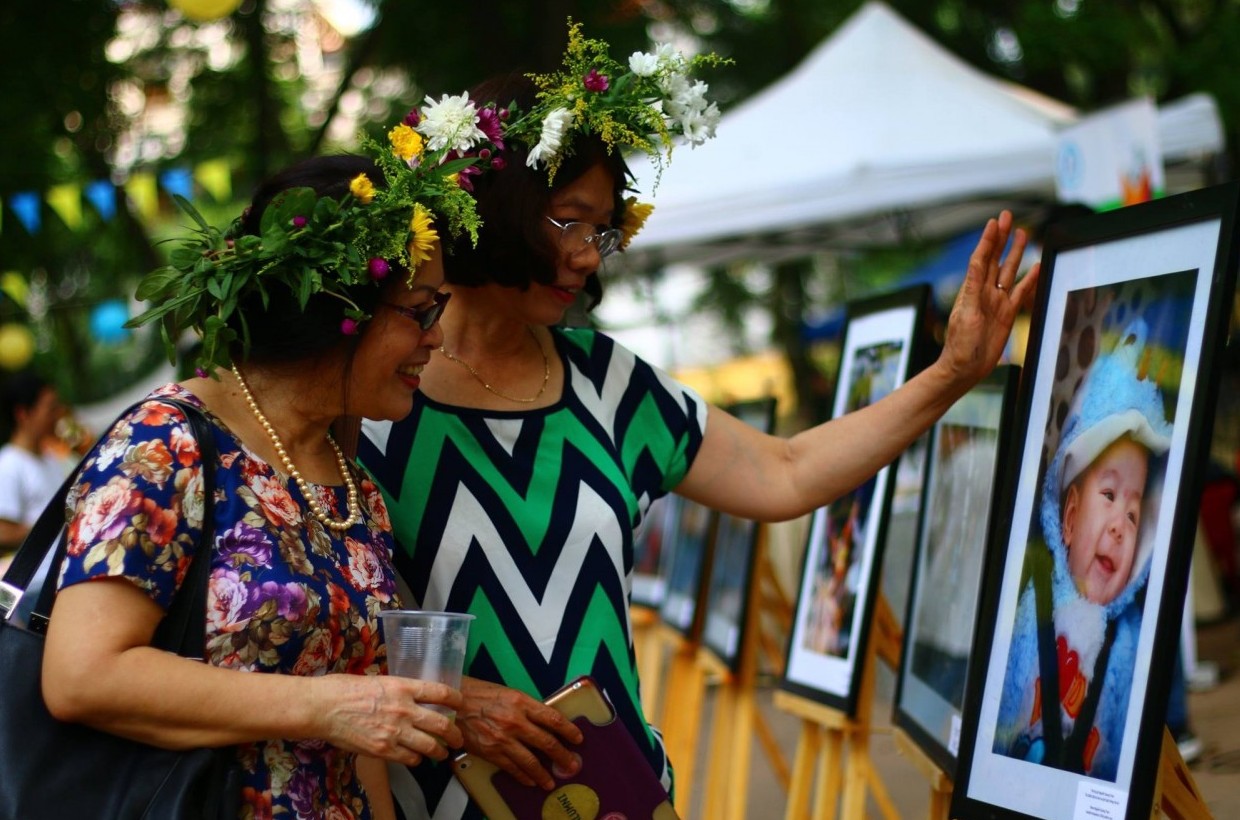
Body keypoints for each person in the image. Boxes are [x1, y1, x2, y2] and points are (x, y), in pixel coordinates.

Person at [356, 28, 1038, 819]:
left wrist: (950, 374)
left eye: (603, 231)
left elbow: (788, 471)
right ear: (500, 206)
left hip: (617, 799)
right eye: (568, 221)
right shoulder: (377, 396)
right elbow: (318, 640)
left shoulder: (607, 382)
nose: (589, 256)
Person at [41, 112, 486, 819]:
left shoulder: (351, 481)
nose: (435, 340)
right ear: (339, 309)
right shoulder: (168, 443)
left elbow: (364, 735)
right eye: (419, 310)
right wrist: (324, 705)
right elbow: (81, 675)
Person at [994, 319, 1172, 781]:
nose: (1119, 526)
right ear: (1069, 519)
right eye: (1109, 496)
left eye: (1134, 516)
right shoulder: (1030, 614)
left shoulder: (1130, 646)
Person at [0, 369, 71, 573]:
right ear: (24, 414)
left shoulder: (50, 458)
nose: (58, 414)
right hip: (36, 586)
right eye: (50, 408)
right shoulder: (8, 464)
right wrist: (50, 528)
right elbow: (3, 532)